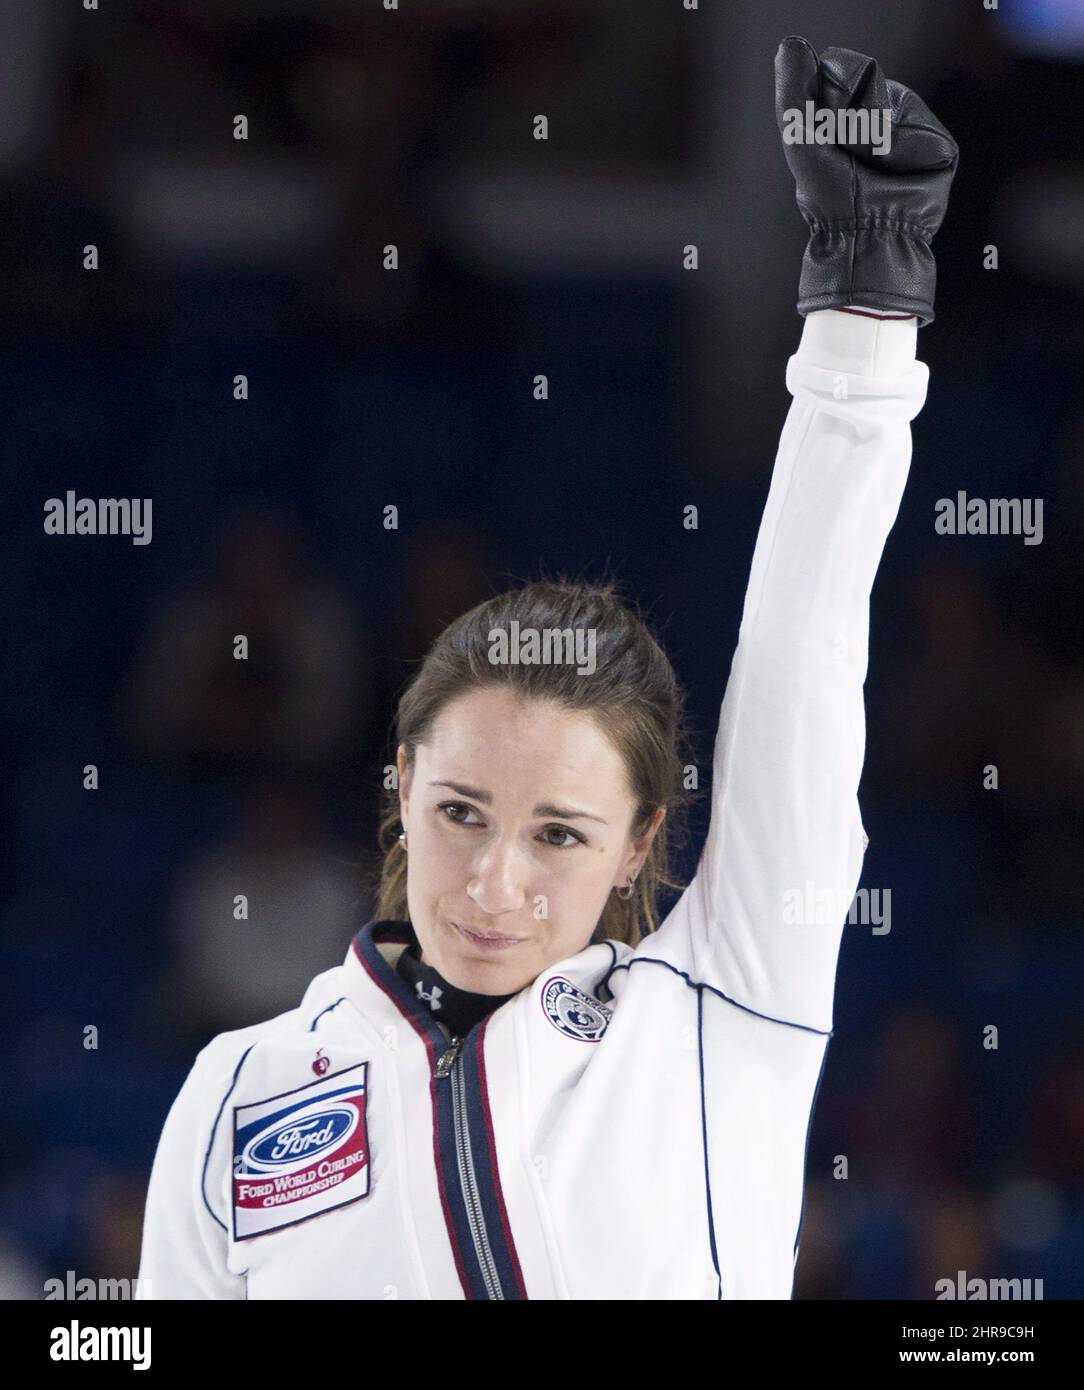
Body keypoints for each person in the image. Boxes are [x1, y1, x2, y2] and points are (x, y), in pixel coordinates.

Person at [136, 38, 958, 1299]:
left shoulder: (724, 1003)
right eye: (461, 809)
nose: (493, 882)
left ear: (639, 846)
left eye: (562, 835)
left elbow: (803, 657)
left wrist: (862, 331)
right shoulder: (240, 1094)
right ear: (400, 782)